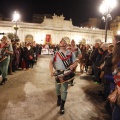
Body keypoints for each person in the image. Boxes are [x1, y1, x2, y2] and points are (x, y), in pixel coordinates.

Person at [49, 38, 77, 114]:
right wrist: (51, 71)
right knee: (57, 89)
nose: (63, 44)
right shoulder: (55, 53)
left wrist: (73, 66)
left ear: (66, 44)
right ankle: (59, 98)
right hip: (58, 73)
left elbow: (76, 62)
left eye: (65, 43)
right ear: (59, 44)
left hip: (66, 73)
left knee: (64, 90)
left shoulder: (70, 53)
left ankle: (62, 106)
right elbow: (51, 63)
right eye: (62, 43)